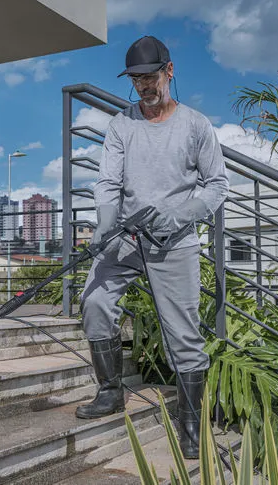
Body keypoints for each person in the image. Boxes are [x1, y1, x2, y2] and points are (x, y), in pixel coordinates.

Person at [75, 35, 229, 459]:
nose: (144, 85)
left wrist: (180, 215)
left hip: (174, 243)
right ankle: (110, 391)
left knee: (184, 333)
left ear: (169, 71)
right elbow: (108, 182)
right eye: (136, 79)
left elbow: (217, 185)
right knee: (95, 302)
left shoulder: (195, 125)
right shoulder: (122, 125)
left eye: (150, 76)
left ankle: (191, 423)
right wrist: (105, 224)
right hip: (126, 237)